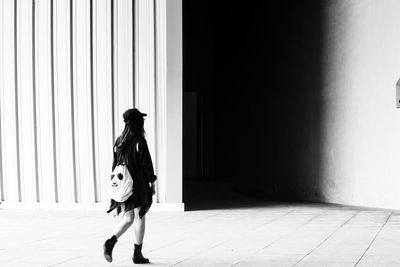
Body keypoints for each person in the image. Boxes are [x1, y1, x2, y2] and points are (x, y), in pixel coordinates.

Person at [103, 108, 157, 264]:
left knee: (128, 218)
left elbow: (115, 165)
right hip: (139, 185)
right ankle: (137, 254)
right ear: (137, 122)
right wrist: (152, 182)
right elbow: (147, 164)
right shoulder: (139, 140)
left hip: (125, 185)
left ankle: (111, 241)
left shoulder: (119, 141)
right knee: (140, 217)